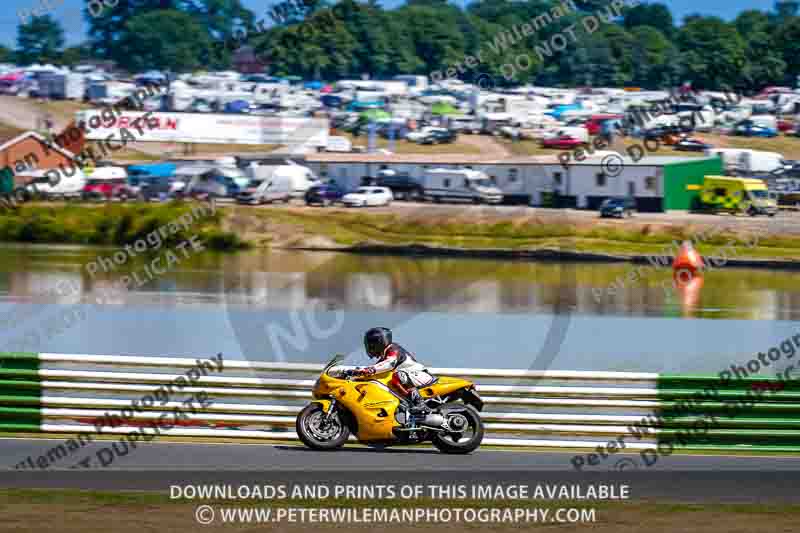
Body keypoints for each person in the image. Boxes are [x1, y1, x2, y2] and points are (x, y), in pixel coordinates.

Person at [350, 327, 437, 414]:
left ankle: (419, 403)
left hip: (421, 375)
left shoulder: (393, 349)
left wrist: (370, 370)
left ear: (379, 342)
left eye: (371, 343)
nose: (370, 346)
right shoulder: (385, 356)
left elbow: (389, 364)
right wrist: (356, 376)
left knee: (399, 376)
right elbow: (378, 368)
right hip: (411, 379)